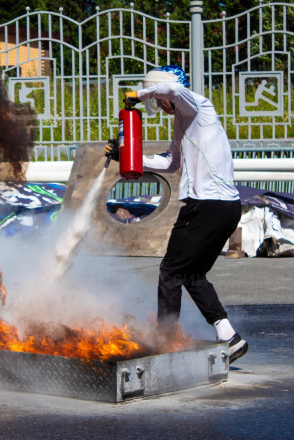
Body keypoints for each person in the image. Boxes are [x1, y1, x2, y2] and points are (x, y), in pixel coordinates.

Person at [106, 65, 247, 364]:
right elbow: (171, 162)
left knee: (170, 272)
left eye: (158, 99)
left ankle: (165, 342)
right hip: (223, 208)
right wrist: (128, 157)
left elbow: (173, 90)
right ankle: (229, 337)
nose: (158, 105)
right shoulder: (184, 122)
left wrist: (138, 96)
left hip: (207, 206)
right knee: (192, 274)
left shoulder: (199, 107)